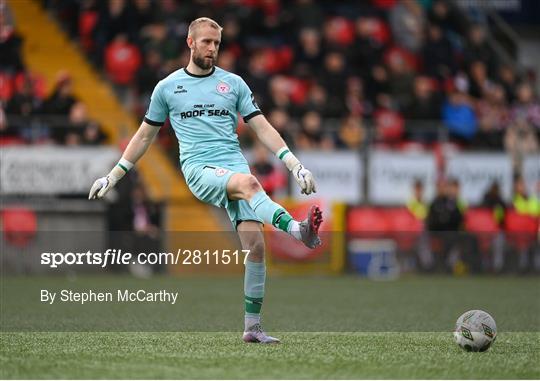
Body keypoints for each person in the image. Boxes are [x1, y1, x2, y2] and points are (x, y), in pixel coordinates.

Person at [88, 17, 323, 344]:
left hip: (234, 166)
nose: (212, 48)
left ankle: (252, 328)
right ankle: (298, 230)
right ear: (190, 43)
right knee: (252, 185)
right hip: (199, 169)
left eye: (216, 43)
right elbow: (144, 136)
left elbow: (262, 126)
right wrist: (114, 175)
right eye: (206, 42)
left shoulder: (234, 84)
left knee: (255, 247)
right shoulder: (167, 88)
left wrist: (295, 165)